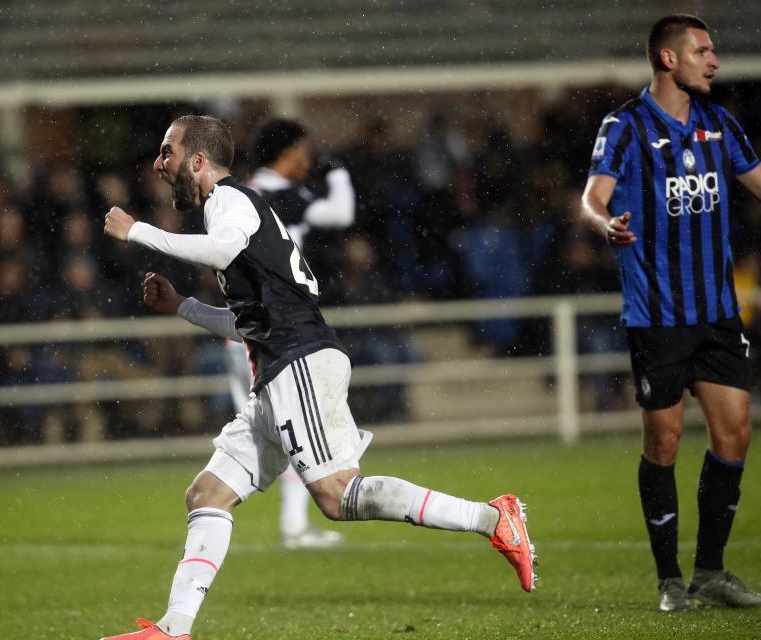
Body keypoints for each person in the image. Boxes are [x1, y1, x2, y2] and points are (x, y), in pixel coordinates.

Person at [100, 114, 536, 640]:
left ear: (197, 162)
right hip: (278, 368)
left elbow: (220, 252)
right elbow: (247, 325)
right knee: (207, 494)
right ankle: (173, 629)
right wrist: (181, 305)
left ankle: (493, 519)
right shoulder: (235, 209)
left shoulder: (232, 202)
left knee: (336, 496)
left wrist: (138, 232)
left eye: (166, 152)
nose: (158, 164)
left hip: (299, 362)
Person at [579, 14, 761, 612]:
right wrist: (607, 226)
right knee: (664, 440)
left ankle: (710, 570)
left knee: (734, 434)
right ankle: (669, 579)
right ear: (668, 59)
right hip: (657, 314)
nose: (713, 61)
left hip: (717, 312)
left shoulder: (717, 123)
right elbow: (592, 198)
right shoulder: (626, 126)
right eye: (703, 51)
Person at [230, 117, 355, 549]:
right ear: (285, 154)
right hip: (271, 328)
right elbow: (343, 212)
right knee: (286, 426)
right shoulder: (277, 196)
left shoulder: (245, 193)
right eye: (304, 151)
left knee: (265, 428)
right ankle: (289, 524)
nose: (310, 160)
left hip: (243, 323)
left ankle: (220, 506)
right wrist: (338, 168)